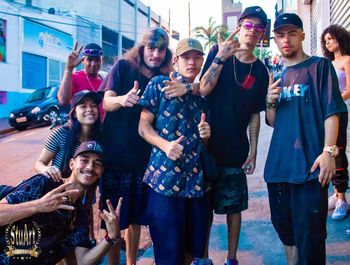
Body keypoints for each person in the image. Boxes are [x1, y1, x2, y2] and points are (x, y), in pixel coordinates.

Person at [265, 13, 347, 265]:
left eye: (291, 33)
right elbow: (272, 120)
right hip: (278, 169)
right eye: (280, 35)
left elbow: (332, 112)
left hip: (310, 168)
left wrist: (329, 152)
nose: (285, 40)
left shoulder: (319, 67)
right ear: (275, 40)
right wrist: (270, 100)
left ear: (302, 35)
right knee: (286, 234)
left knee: (311, 238)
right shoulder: (276, 73)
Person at [199, 6, 269, 265]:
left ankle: (231, 258)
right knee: (203, 208)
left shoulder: (260, 71)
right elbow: (204, 90)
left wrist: (252, 151)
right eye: (248, 25)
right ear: (239, 27)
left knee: (234, 208)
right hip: (207, 147)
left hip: (236, 151)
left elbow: (254, 114)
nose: (252, 31)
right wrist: (219, 59)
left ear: (262, 34)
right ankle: (203, 257)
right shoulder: (218, 53)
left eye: (258, 27)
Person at [100, 26, 174, 265]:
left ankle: (131, 263)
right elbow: (106, 101)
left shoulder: (163, 79)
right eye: (151, 48)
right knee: (112, 219)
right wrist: (122, 99)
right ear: (142, 49)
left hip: (145, 161)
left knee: (135, 220)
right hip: (115, 158)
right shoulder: (123, 68)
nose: (156, 54)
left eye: (161, 49)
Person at [138, 37, 211, 264]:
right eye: (186, 57)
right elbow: (143, 127)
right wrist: (165, 145)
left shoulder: (202, 97)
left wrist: (206, 136)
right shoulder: (159, 84)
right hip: (164, 186)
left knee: (193, 249)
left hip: (196, 185)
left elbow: (203, 145)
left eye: (197, 57)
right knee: (168, 253)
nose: (191, 62)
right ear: (176, 60)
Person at [0, 141, 123, 265]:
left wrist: (110, 238)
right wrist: (38, 206)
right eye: (84, 160)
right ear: (72, 164)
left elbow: (83, 260)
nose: (90, 167)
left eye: (97, 164)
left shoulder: (81, 214)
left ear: (101, 171)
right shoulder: (46, 183)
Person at [321, 24, 350, 220]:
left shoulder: (347, 60)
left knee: (338, 152)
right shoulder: (326, 64)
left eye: (330, 38)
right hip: (326, 113)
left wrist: (336, 100)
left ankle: (342, 200)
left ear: (340, 37)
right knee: (327, 150)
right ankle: (335, 193)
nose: (328, 42)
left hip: (339, 111)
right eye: (325, 41)